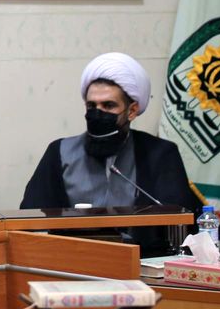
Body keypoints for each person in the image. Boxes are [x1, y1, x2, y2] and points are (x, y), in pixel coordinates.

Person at [20, 52, 202, 255]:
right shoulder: (60, 152)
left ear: (132, 110)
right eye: (91, 106)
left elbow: (182, 225)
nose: (98, 113)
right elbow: (30, 221)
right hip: (71, 262)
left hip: (142, 265)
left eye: (108, 105)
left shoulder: (159, 154)